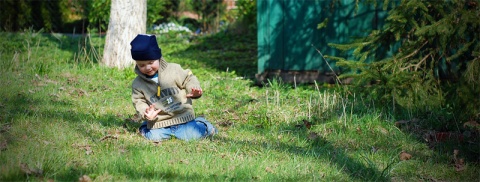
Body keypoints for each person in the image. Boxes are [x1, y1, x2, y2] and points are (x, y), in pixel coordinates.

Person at [130, 34, 216, 141]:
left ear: (158, 57)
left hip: (182, 118)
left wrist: (193, 89)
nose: (147, 67)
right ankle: (145, 127)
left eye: (151, 62)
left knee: (194, 135)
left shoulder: (174, 70)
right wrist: (145, 112)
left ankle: (204, 125)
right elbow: (139, 101)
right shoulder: (138, 83)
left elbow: (188, 79)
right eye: (141, 65)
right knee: (153, 137)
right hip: (158, 122)